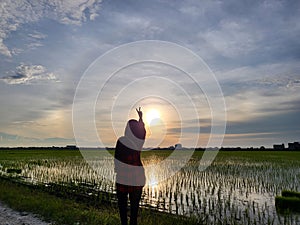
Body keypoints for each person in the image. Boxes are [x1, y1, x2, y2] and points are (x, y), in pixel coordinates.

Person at [114, 107, 146, 225]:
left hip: (123, 178)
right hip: (137, 178)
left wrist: (117, 170)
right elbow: (142, 133)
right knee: (134, 208)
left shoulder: (121, 140)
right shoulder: (138, 142)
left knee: (122, 207)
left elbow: (117, 160)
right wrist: (141, 119)